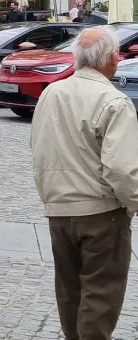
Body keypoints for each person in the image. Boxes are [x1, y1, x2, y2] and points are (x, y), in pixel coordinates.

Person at [31, 26, 138, 339]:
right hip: (102, 213)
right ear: (112, 59)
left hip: (60, 210)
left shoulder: (51, 93)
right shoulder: (114, 101)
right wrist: (134, 203)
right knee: (100, 294)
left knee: (69, 292)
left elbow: (39, 149)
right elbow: (123, 170)